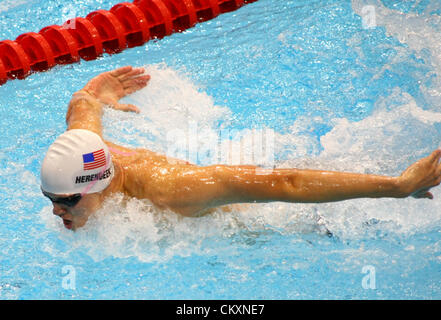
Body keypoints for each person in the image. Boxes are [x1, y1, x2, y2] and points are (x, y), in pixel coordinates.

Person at [40, 66, 441, 230]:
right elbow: (82, 107)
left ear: (98, 183)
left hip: (273, 221)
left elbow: (286, 183)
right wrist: (98, 91)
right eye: (52, 198)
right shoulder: (87, 148)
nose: (56, 210)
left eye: (67, 200)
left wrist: (396, 187)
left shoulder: (172, 190)